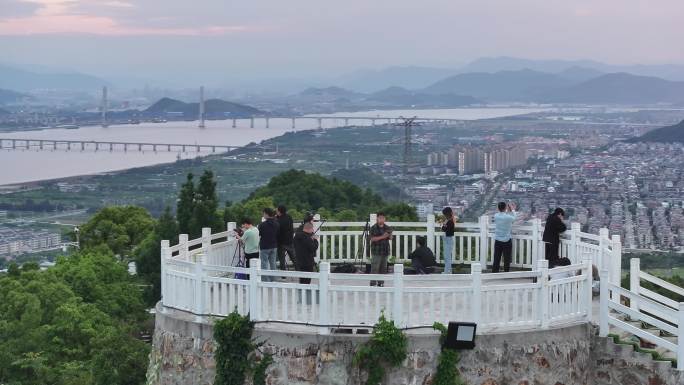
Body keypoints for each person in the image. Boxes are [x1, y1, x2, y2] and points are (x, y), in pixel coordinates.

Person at [492, 201, 517, 273]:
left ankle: (494, 272)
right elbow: (514, 218)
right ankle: (506, 272)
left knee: (496, 257)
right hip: (506, 240)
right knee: (507, 258)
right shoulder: (508, 217)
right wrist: (512, 210)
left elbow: (503, 215)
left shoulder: (496, 215)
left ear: (498, 208)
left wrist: (507, 211)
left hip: (497, 239)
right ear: (505, 207)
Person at [369, 212, 393, 286]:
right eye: (380, 218)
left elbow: (391, 238)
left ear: (384, 219)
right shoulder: (373, 228)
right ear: (377, 218)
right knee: (375, 268)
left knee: (383, 268)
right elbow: (372, 239)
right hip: (376, 251)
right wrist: (383, 236)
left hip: (385, 250)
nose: (381, 219)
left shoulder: (387, 227)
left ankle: (381, 283)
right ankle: (373, 283)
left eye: (383, 218)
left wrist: (390, 234)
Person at [258, 207, 279, 281]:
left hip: (265, 246)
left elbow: (259, 234)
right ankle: (274, 279)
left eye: (263, 213)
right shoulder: (277, 223)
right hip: (274, 245)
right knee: (273, 263)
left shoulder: (262, 225)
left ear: (266, 214)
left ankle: (265, 280)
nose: (263, 215)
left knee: (264, 263)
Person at [276, 205, 296, 270]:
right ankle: (299, 271)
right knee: (294, 258)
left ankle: (283, 276)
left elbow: (277, 231)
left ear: (279, 211)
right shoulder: (289, 217)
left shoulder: (278, 220)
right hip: (290, 241)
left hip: (281, 243)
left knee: (282, 260)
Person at [441, 207, 456, 274]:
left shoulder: (450, 221)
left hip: (448, 239)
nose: (444, 215)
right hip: (448, 239)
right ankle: (448, 270)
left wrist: (444, 224)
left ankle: (447, 271)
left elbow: (443, 229)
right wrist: (444, 224)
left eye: (444, 214)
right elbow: (444, 228)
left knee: (447, 257)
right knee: (447, 256)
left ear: (447, 214)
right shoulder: (451, 220)